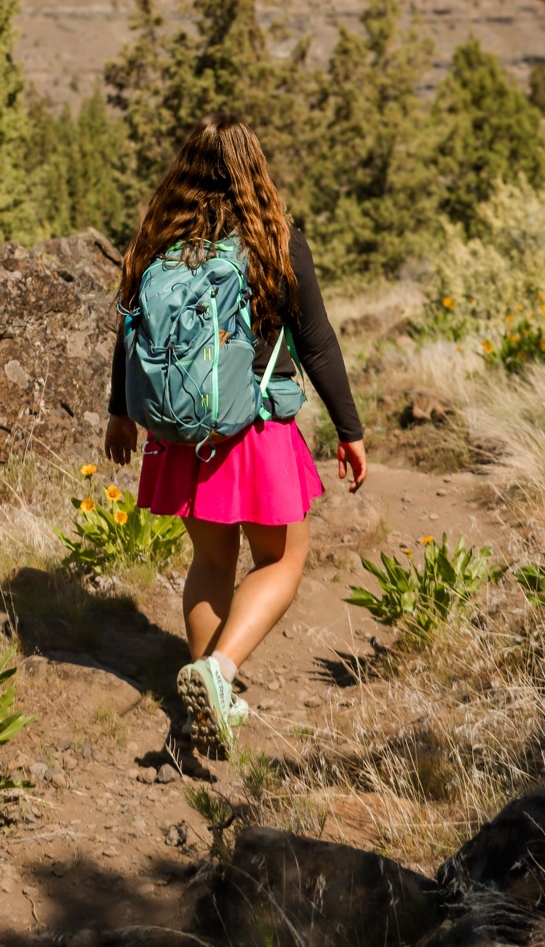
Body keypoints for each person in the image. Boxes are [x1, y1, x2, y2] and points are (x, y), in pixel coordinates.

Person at [105, 112, 366, 754]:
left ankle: (203, 701)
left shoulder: (158, 241)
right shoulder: (274, 241)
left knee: (211, 561)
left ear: (187, 170)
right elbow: (318, 343)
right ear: (253, 169)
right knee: (283, 559)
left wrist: (119, 411)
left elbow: (129, 331)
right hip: (253, 432)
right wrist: (349, 428)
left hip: (178, 436)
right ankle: (219, 675)